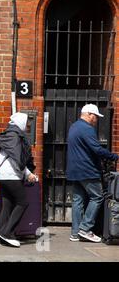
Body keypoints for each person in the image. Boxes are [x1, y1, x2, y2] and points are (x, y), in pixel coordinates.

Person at [66, 103, 119, 243]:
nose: (96, 120)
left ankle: (75, 233)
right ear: (89, 114)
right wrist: (113, 156)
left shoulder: (74, 127)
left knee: (78, 201)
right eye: (96, 117)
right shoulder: (87, 129)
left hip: (74, 170)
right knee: (98, 197)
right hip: (87, 170)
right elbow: (96, 149)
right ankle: (85, 228)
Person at [0, 112, 38, 248]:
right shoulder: (15, 137)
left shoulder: (8, 134)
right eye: (27, 123)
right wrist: (28, 174)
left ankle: (2, 237)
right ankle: (6, 233)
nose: (28, 125)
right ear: (21, 123)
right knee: (23, 202)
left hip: (2, 175)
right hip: (11, 175)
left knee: (7, 205)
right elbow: (18, 160)